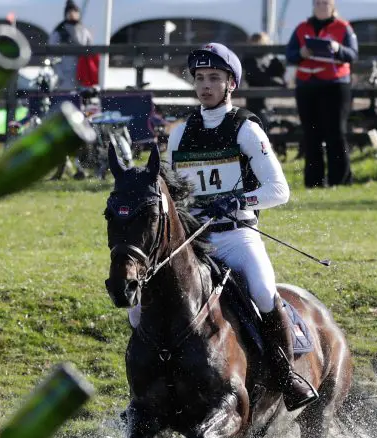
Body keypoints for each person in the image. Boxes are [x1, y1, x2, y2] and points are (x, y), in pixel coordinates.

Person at [127, 43, 319, 411]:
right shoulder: (181, 133)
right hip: (193, 241)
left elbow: (279, 190)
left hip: (235, 236)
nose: (205, 86)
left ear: (231, 83)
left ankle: (284, 374)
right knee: (137, 310)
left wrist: (236, 201)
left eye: (214, 78)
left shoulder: (246, 129)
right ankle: (145, 388)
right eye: (199, 78)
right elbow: (172, 191)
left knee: (264, 293)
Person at [286, 0, 358, 188]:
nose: (321, 6)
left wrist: (338, 48)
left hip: (334, 86)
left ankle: (340, 180)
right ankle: (314, 182)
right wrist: (301, 53)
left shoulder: (343, 27)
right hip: (307, 86)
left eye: (325, 3)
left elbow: (353, 54)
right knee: (311, 135)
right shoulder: (302, 27)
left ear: (332, 6)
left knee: (336, 133)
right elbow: (290, 54)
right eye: (317, 3)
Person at [242, 32, 288, 130]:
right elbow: (255, 77)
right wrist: (274, 81)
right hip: (255, 101)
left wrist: (274, 81)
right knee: (258, 123)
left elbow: (281, 76)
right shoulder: (249, 59)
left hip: (272, 99)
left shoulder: (272, 59)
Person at [48, 0, 93, 91]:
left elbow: (91, 50)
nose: (72, 14)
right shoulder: (59, 31)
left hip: (82, 72)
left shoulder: (84, 30)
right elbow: (52, 52)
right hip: (64, 72)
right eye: (70, 12)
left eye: (75, 11)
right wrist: (58, 72)